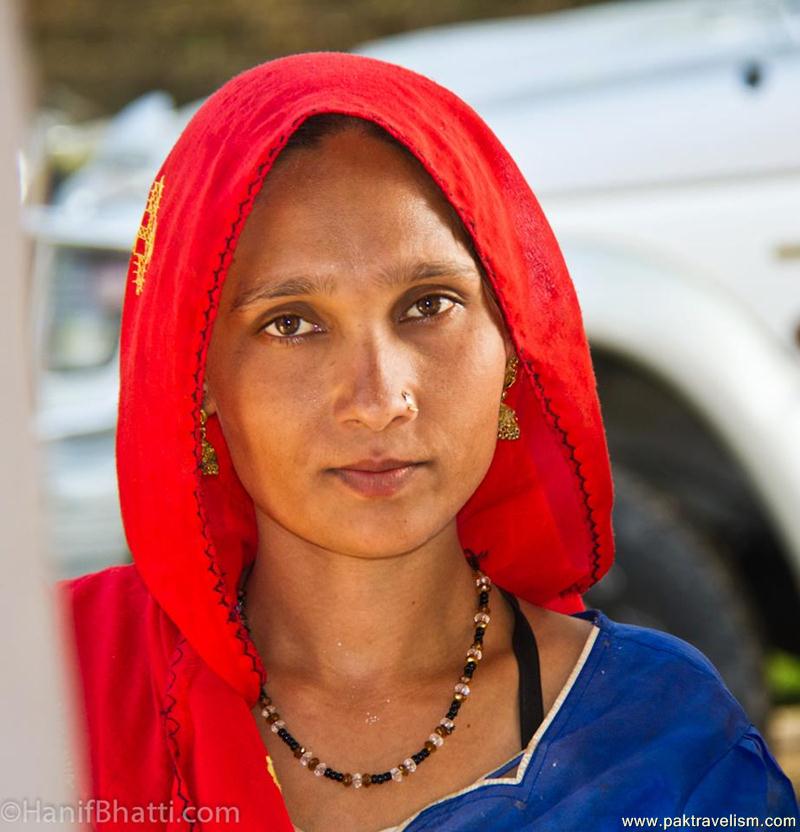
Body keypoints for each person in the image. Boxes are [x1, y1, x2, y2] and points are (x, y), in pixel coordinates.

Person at [58, 52, 799, 831]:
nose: (379, 401)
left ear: (512, 339)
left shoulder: (661, 746)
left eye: (428, 305)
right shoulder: (60, 698)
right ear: (197, 377)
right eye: (291, 324)